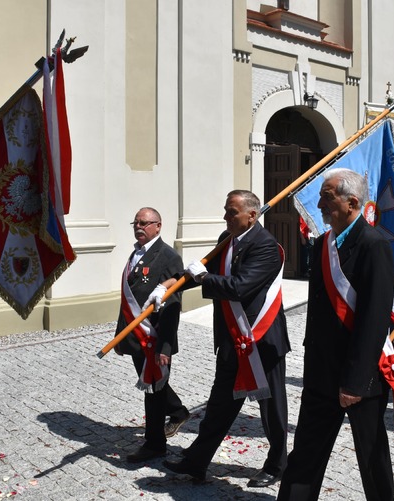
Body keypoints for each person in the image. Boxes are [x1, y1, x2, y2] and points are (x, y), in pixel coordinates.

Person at [278, 168, 394, 501]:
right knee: (305, 455)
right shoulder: (323, 245)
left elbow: (373, 320)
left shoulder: (374, 245)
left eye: (327, 198)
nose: (319, 204)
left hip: (360, 377)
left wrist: (355, 382)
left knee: (372, 458)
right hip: (320, 373)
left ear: (352, 202)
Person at [160, 190, 290, 487]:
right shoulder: (226, 239)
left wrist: (203, 278)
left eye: (232, 212)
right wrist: (176, 283)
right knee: (219, 406)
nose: (225, 217)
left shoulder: (266, 246)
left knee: (271, 410)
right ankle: (196, 462)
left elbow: (239, 287)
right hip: (233, 340)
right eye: (226, 211)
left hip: (261, 341)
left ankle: (276, 464)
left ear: (252, 215)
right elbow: (213, 272)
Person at [113, 207, 190, 463]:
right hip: (136, 336)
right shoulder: (137, 253)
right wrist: (120, 336)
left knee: (153, 391)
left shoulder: (168, 256)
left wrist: (165, 347)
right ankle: (178, 412)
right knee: (152, 385)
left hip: (154, 337)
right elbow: (128, 298)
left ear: (158, 226)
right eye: (136, 222)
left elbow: (172, 304)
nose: (139, 227)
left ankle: (155, 443)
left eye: (145, 223)